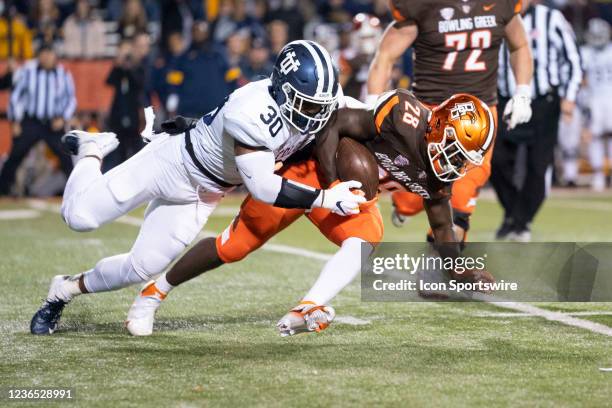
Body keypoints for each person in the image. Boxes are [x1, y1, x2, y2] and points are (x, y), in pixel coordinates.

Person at [29, 40, 365, 335]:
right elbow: (263, 187)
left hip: (205, 193)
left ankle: (64, 289)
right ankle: (91, 150)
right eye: (306, 104)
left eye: (320, 104)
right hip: (173, 163)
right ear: (281, 89)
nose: (315, 114)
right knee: (79, 217)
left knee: (142, 267)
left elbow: (363, 112)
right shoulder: (252, 111)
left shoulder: (322, 102)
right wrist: (324, 198)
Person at [125, 90, 496, 337]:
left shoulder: (437, 176)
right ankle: (156, 290)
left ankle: (307, 307)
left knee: (366, 239)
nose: (456, 162)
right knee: (234, 246)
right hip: (309, 170)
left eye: (464, 157)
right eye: (455, 149)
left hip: (348, 194)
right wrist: (331, 185)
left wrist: (459, 271)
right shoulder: (401, 116)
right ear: (436, 126)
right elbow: (332, 125)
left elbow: (443, 225)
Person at [367, 0, 533, 243]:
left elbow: (519, 45)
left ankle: (439, 269)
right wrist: (373, 105)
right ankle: (405, 206)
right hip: (430, 111)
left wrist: (523, 92)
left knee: (461, 198)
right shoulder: (423, 6)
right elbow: (385, 56)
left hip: (478, 115)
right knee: (415, 191)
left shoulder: (501, 4)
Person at [492, 0, 583, 241]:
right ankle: (514, 214)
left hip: (543, 101)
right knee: (496, 160)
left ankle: (520, 222)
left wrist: (569, 97)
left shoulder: (551, 18)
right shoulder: (495, 13)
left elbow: (572, 58)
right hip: (504, 99)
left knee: (538, 165)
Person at [0, 44, 76, 195]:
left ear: (55, 55)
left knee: (66, 157)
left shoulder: (63, 73)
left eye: (50, 53)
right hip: (31, 122)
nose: (47, 57)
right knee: (16, 154)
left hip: (53, 123)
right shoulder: (27, 71)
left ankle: (77, 191)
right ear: (39, 55)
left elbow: (71, 99)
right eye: (44, 53)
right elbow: (15, 96)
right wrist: (15, 121)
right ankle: (3, 190)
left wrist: (63, 118)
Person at [103, 38, 147, 171]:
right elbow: (109, 81)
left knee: (136, 151)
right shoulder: (119, 69)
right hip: (118, 115)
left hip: (133, 115)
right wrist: (118, 63)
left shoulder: (139, 67)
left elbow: (139, 83)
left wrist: (130, 66)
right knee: (116, 153)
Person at [582, 18, 612, 191]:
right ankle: (599, 175)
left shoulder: (585, 52)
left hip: (597, 98)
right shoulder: (586, 52)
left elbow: (582, 80)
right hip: (598, 98)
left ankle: (599, 175)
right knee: (596, 138)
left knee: (596, 138)